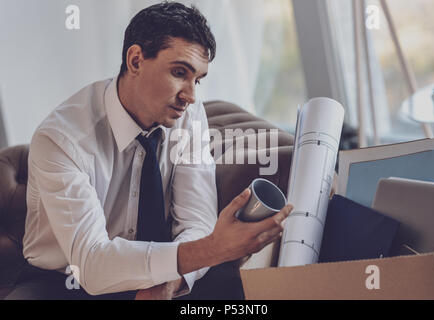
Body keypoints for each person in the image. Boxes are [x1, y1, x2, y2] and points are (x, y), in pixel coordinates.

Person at [5, 2, 292, 300]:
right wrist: (212, 249)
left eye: (198, 80)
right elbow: (92, 263)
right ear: (136, 60)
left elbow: (197, 222)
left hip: (165, 267)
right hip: (65, 280)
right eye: (180, 72)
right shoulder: (62, 140)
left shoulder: (188, 117)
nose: (190, 96)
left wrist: (169, 282)